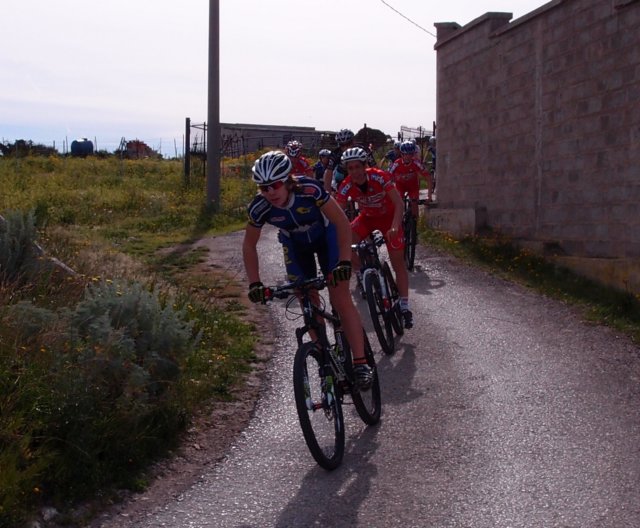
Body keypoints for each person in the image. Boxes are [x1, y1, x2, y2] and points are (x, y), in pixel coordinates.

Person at [242, 150, 373, 387]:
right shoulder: (259, 207)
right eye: (264, 188)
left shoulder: (309, 190)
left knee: (340, 298)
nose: (270, 192)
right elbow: (249, 245)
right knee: (306, 300)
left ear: (287, 181)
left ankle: (361, 362)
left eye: (275, 185)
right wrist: (255, 283)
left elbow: (341, 222)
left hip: (326, 238)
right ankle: (325, 363)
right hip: (295, 245)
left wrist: (345, 261)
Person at [335, 147, 413, 328]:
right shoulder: (346, 184)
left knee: (398, 263)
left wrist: (395, 226)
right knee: (344, 243)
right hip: (367, 218)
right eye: (350, 168)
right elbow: (337, 213)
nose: (355, 171)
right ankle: (362, 273)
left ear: (365, 166)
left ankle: (404, 306)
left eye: (357, 167)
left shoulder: (379, 176)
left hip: (389, 218)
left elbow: (399, 204)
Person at [323, 128, 377, 194]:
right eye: (342, 145)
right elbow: (328, 173)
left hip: (361, 175)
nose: (346, 148)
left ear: (353, 142)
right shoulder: (335, 154)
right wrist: (327, 193)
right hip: (342, 176)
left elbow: (375, 168)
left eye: (348, 144)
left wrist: (377, 185)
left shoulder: (364, 150)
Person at [389, 140, 432, 220]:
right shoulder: (396, 163)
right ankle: (398, 222)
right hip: (400, 187)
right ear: (401, 154)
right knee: (398, 204)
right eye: (405, 154)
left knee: (414, 202)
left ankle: (416, 222)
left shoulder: (416, 163)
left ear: (413, 154)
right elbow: (387, 177)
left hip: (413, 187)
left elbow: (428, 177)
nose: (408, 157)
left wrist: (429, 196)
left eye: (410, 154)